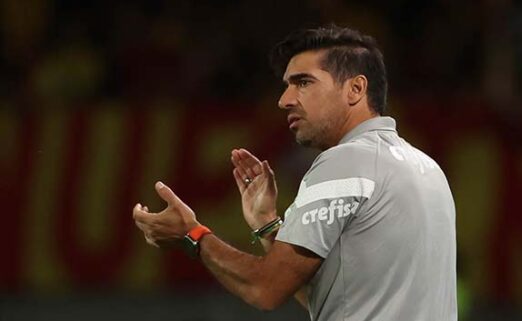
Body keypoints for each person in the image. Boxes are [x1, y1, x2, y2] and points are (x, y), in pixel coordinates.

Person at [133, 25, 457, 321]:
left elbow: (266, 289)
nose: (284, 100)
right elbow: (334, 297)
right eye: (287, 85)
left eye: (303, 82)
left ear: (355, 89)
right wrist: (266, 226)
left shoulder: (346, 162)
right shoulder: (428, 169)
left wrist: (192, 235)